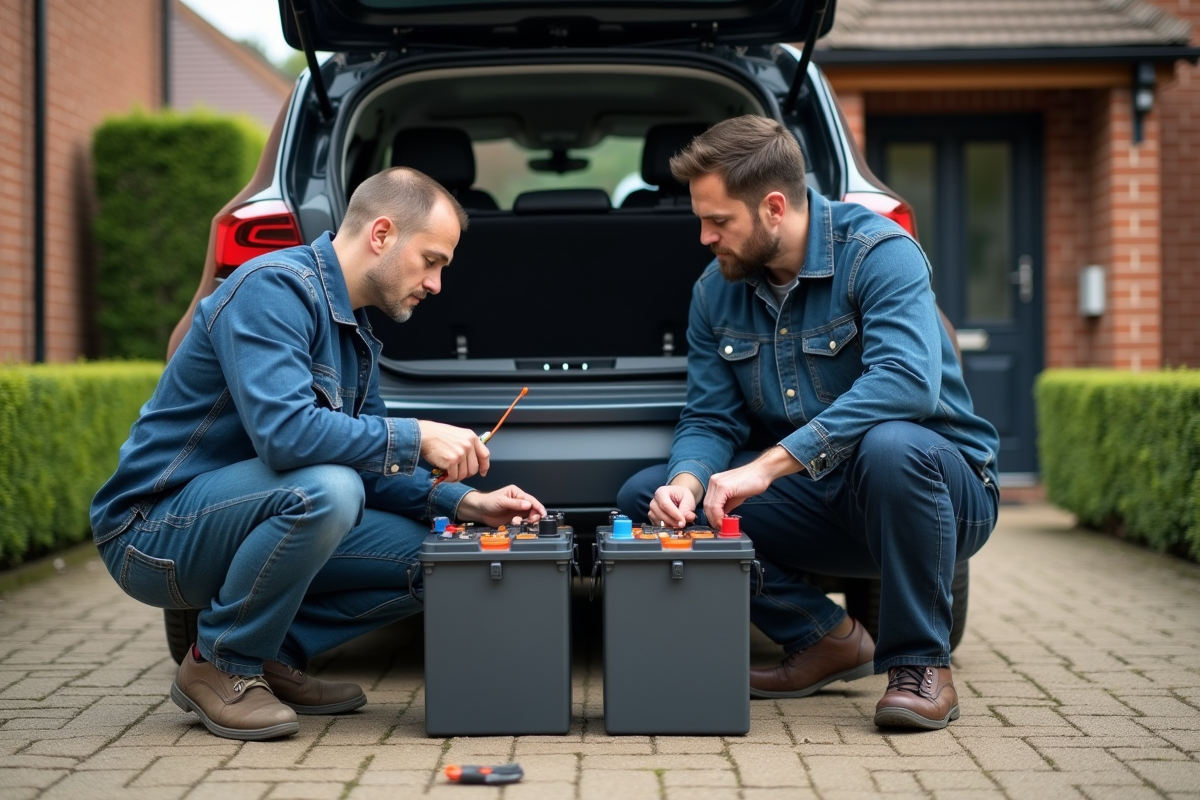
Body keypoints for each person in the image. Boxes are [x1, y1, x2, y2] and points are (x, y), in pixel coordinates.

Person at [91, 167, 546, 741]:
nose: (436, 284)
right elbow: (286, 436)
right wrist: (417, 435)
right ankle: (219, 663)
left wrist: (466, 503)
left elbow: (371, 467)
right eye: (431, 260)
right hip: (153, 532)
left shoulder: (354, 334)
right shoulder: (272, 288)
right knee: (328, 489)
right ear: (382, 234)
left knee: (445, 560)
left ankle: (269, 654)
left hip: (244, 514)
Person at [617, 115, 1000, 731]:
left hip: (940, 495)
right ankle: (825, 637)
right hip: (823, 500)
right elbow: (710, 416)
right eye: (701, 220)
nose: (705, 237)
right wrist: (687, 483)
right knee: (644, 496)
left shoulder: (879, 252)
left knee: (892, 444)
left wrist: (767, 465)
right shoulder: (715, 292)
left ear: (773, 207)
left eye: (719, 221)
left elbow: (905, 381)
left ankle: (922, 668)